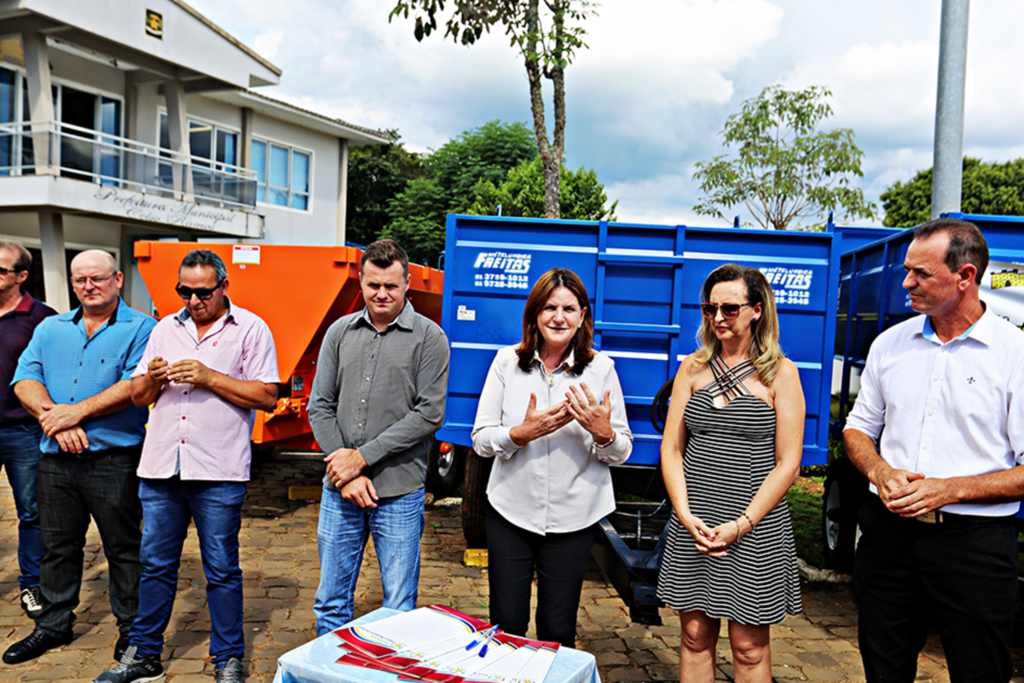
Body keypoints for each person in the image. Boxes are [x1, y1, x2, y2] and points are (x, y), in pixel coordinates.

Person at [844, 218, 1024, 683]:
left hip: (975, 547)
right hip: (888, 537)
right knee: (883, 670)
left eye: (920, 274)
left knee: (980, 672)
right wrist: (881, 472)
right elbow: (858, 429)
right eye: (908, 271)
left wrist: (949, 490)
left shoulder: (1014, 355)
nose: (906, 283)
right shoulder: (890, 344)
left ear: (965, 277)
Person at [92, 249, 279, 683]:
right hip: (161, 467)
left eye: (203, 292)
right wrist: (153, 378)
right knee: (155, 564)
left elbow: (267, 396)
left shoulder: (251, 329)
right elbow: (139, 397)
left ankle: (227, 658)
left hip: (218, 470)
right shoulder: (164, 329)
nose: (193, 300)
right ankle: (145, 656)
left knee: (220, 568)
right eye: (185, 291)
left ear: (224, 287)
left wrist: (209, 376)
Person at [5, 250, 156, 665]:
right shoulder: (51, 327)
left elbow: (133, 385)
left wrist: (77, 412)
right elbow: (25, 378)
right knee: (57, 547)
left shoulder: (144, 329)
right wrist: (56, 418)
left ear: (118, 279)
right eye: (80, 280)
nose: (88, 286)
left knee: (123, 549)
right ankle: (53, 625)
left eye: (98, 278)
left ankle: (134, 632)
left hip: (114, 460)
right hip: (55, 460)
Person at [656, 263, 804, 683]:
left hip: (754, 526)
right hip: (696, 521)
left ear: (757, 310)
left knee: (749, 648)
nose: (718, 317)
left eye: (729, 308)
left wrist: (742, 524)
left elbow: (788, 463)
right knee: (694, 637)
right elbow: (672, 448)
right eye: (709, 308)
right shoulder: (692, 368)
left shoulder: (781, 373)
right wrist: (685, 515)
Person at [472, 267, 632, 648]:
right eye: (548, 308)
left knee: (557, 630)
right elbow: (480, 438)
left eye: (569, 308)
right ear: (534, 315)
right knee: (506, 625)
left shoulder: (601, 369)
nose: (558, 317)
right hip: (512, 511)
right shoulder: (506, 363)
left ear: (582, 316)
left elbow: (623, 448)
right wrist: (519, 434)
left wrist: (603, 433)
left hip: (574, 517)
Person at [308, 238, 450, 636]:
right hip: (340, 491)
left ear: (407, 284)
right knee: (331, 602)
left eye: (391, 285)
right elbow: (319, 405)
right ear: (361, 281)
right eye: (373, 285)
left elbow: (429, 413)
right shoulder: (339, 333)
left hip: (399, 493)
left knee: (398, 610)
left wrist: (362, 458)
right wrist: (347, 469)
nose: (381, 294)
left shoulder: (429, 338)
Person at [0, 241, 55, 617]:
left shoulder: (43, 319)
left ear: (22, 276)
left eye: (1, 270)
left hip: (22, 432)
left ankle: (31, 584)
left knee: (32, 512)